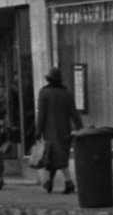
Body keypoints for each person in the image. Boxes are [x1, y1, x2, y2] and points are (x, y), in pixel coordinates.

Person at [35, 67, 83, 195]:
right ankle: (49, 182)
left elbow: (41, 114)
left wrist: (38, 130)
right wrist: (80, 128)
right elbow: (74, 113)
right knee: (58, 155)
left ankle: (68, 181)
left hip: (49, 129)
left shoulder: (43, 93)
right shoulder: (67, 93)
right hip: (64, 129)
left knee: (52, 156)